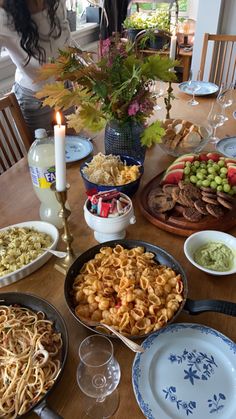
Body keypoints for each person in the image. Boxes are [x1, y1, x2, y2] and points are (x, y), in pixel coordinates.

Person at [0, 0, 71, 138]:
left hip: (64, 91)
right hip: (34, 99)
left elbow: (64, 42)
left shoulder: (56, 3)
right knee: (44, 155)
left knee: (75, 149)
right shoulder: (4, 16)